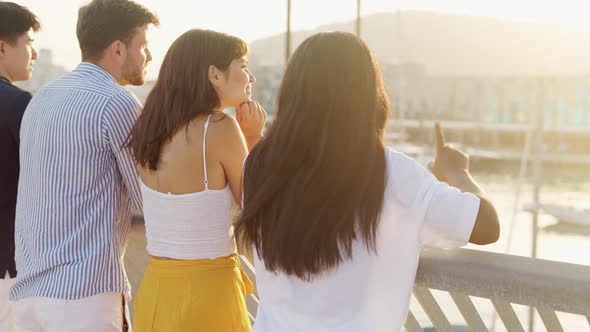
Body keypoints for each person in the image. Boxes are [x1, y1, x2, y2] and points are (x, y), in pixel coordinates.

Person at [236, 31, 500, 332]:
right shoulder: (391, 172)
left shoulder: (257, 167)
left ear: (292, 94)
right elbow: (487, 225)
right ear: (367, 96)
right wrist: (456, 172)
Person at [9, 1, 159, 331]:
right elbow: (149, 198)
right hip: (84, 299)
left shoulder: (42, 98)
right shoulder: (117, 102)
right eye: (144, 46)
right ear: (118, 49)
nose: (149, 56)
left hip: (30, 297)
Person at [128, 29, 265, 332]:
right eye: (243, 66)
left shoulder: (149, 129)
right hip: (208, 292)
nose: (250, 77)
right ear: (214, 74)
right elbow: (256, 202)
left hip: (156, 288)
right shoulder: (219, 128)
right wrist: (253, 137)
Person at [0, 3, 40, 331]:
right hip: (8, 267)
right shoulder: (18, 104)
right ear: (2, 47)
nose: (34, 53)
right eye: (28, 42)